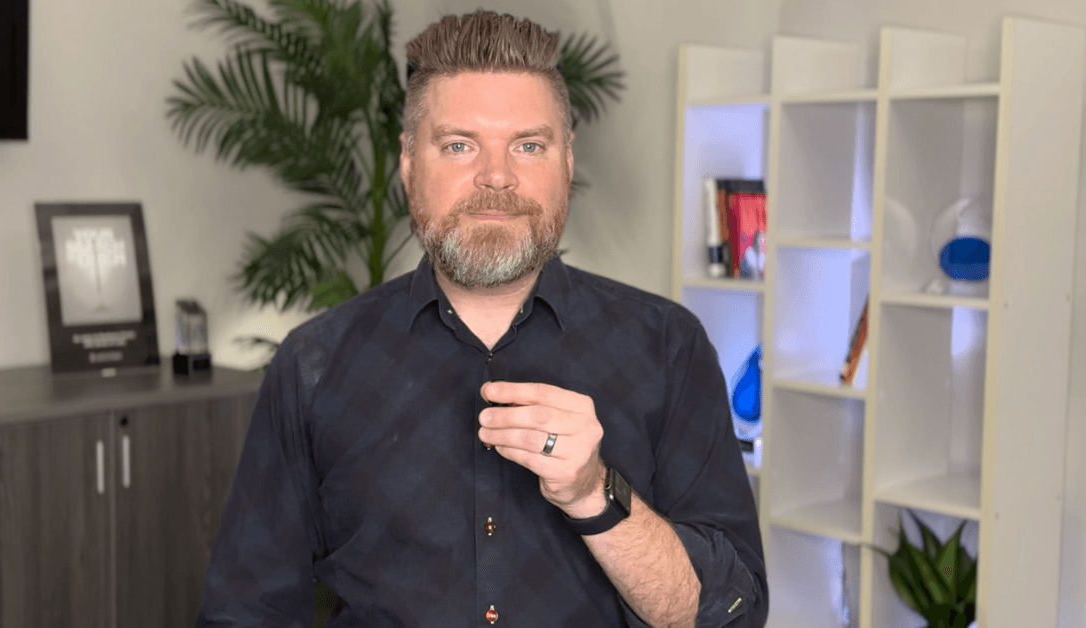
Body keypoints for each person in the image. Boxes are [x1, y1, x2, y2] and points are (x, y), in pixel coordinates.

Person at [197, 10, 767, 628]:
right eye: (459, 145)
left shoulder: (668, 348)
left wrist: (594, 494)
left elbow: (728, 615)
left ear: (567, 163)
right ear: (410, 164)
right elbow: (244, 614)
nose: (497, 176)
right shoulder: (313, 366)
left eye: (528, 145)